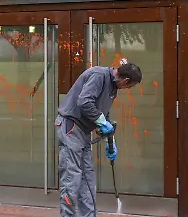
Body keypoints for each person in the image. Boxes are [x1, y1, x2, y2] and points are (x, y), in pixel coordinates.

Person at [55, 60, 142, 217]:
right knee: (72, 178)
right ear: (126, 80)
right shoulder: (99, 75)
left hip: (83, 131)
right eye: (130, 86)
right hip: (71, 126)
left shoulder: (113, 87)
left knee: (87, 179)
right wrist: (101, 121)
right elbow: (84, 102)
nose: (128, 89)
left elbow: (102, 112)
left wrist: (110, 139)